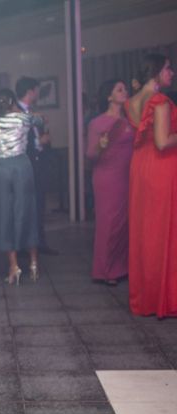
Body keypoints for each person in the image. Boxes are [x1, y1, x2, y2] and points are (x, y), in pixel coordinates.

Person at [125, 53, 177, 318]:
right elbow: (162, 141)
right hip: (161, 167)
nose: (172, 73)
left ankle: (147, 296)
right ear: (156, 72)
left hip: (140, 167)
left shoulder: (132, 101)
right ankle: (164, 298)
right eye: (168, 68)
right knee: (164, 230)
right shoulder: (160, 101)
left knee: (147, 230)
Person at [0, 88, 40, 285]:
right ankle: (33, 264)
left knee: (4, 215)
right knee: (27, 212)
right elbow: (41, 121)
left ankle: (14, 267)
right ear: (13, 101)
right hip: (22, 167)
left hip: (2, 170)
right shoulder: (24, 119)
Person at [86, 79, 134, 286]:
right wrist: (101, 146)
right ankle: (103, 271)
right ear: (109, 96)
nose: (125, 92)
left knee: (124, 223)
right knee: (109, 224)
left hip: (128, 176)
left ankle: (121, 267)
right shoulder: (97, 123)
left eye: (125, 89)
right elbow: (90, 154)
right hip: (107, 177)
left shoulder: (130, 119)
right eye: (119, 89)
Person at [15, 77, 58, 255]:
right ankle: (27, 245)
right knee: (26, 207)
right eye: (37, 90)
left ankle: (38, 242)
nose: (38, 94)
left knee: (38, 205)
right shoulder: (16, 112)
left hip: (37, 164)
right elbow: (18, 139)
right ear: (31, 91)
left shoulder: (31, 112)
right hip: (26, 166)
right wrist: (39, 141)